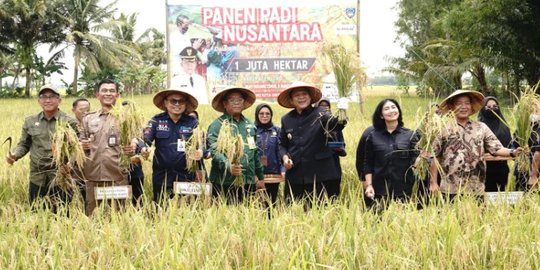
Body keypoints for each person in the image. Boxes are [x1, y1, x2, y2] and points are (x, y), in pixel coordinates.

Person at [428, 90, 520, 201]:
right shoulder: (443, 129)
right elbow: (433, 156)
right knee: (450, 217)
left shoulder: (481, 127)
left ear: (471, 107)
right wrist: (433, 183)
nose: (463, 107)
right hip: (449, 189)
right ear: (452, 107)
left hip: (476, 188)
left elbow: (496, 148)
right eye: (459, 103)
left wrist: (513, 152)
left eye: (467, 103)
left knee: (477, 217)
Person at [6, 85, 78, 211]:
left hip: (61, 177)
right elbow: (24, 144)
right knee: (36, 212)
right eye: (44, 97)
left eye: (51, 97)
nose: (48, 100)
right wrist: (15, 155)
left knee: (62, 215)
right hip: (37, 177)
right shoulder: (30, 121)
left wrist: (70, 165)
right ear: (39, 101)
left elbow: (77, 148)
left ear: (59, 100)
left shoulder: (69, 122)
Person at [278, 81, 346, 205]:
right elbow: (282, 144)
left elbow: (334, 125)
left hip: (320, 176)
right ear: (291, 100)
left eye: (304, 94)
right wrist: (285, 157)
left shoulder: (321, 113)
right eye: (297, 95)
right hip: (295, 174)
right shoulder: (286, 119)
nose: (301, 97)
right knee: (294, 213)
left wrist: (342, 113)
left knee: (320, 213)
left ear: (310, 97)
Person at [80, 79, 134, 215]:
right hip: (93, 176)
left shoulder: (126, 118)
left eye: (112, 91)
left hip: (118, 176)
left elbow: (136, 140)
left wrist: (133, 148)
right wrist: (83, 145)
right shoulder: (88, 119)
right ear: (98, 95)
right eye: (104, 90)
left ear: (117, 95)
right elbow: (79, 144)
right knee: (93, 216)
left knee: (119, 217)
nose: (108, 93)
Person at [142, 88, 201, 204]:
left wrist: (200, 152)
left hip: (185, 176)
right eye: (173, 101)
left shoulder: (192, 123)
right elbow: (145, 140)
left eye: (181, 101)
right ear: (165, 102)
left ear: (186, 104)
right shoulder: (156, 121)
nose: (177, 104)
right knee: (161, 209)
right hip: (162, 176)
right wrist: (144, 148)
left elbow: (201, 143)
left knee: (185, 210)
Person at [207, 86, 264, 203]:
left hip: (248, 181)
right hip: (224, 181)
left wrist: (260, 177)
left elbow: (254, 152)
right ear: (224, 103)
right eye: (232, 100)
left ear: (244, 103)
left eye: (240, 100)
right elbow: (214, 150)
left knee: (247, 216)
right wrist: (228, 166)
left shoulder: (249, 125)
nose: (237, 103)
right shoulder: (217, 125)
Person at [363, 99, 419, 207]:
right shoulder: (373, 136)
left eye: (394, 107)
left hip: (403, 188)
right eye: (386, 108)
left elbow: (415, 162)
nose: (391, 110)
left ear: (398, 111)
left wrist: (423, 156)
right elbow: (368, 163)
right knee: (378, 220)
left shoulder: (410, 135)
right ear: (381, 115)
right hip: (379, 189)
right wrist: (369, 185)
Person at [477, 96, 512, 192]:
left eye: (495, 106)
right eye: (488, 107)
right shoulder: (478, 127)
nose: (492, 109)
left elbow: (509, 145)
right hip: (483, 170)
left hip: (501, 168)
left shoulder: (504, 126)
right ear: (483, 109)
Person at [316, 97, 347, 196]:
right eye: (321, 106)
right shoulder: (313, 125)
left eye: (326, 106)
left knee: (333, 195)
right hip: (318, 168)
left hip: (333, 166)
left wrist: (339, 149)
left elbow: (343, 148)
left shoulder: (335, 125)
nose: (324, 108)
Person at [254, 103, 283, 204]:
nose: (264, 116)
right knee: (256, 205)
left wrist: (282, 170)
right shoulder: (252, 130)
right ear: (257, 115)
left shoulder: (277, 130)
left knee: (270, 204)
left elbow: (281, 150)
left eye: (267, 114)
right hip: (256, 175)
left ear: (271, 116)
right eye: (261, 114)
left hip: (273, 175)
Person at [71, 98, 91, 204]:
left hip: (90, 171)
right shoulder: (68, 127)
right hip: (72, 170)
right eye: (82, 110)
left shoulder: (93, 125)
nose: (85, 112)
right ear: (73, 110)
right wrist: (78, 146)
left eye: (87, 109)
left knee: (88, 200)